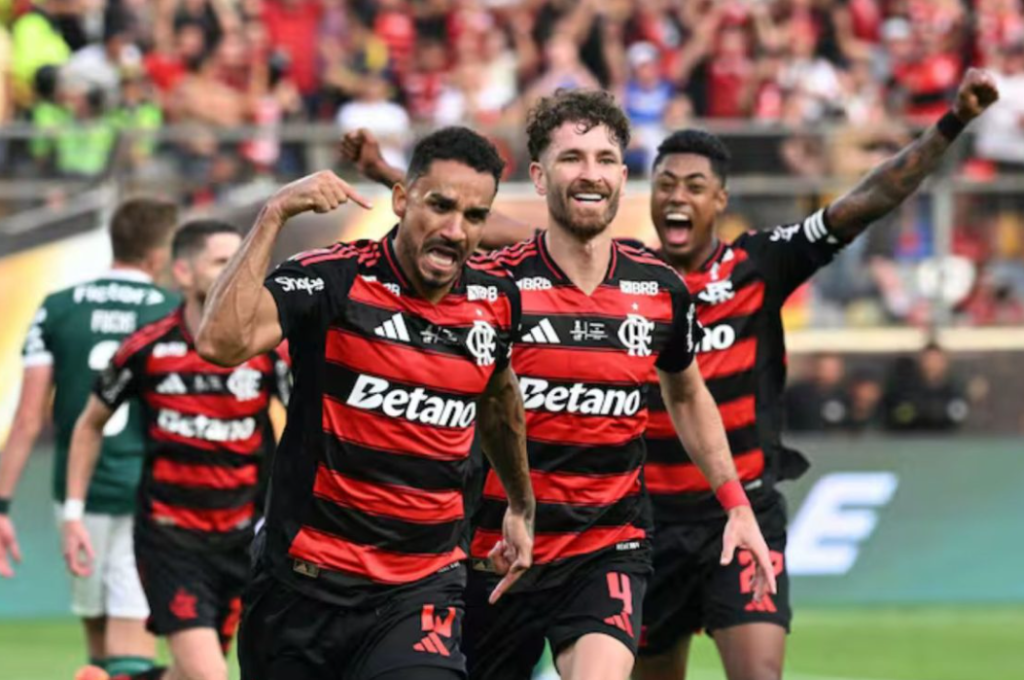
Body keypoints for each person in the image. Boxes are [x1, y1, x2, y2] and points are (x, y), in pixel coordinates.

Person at [345, 90, 777, 680]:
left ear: (623, 177)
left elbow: (685, 392)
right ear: (540, 176)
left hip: (607, 548)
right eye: (572, 158)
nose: (590, 173)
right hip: (492, 554)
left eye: (604, 158)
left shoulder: (659, 291)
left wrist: (736, 503)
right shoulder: (491, 288)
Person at [634, 69, 997, 680]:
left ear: (720, 201)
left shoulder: (759, 262)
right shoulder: (625, 279)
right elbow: (530, 243)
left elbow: (868, 199)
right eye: (664, 183)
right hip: (647, 525)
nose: (677, 196)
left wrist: (952, 123)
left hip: (741, 513)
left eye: (695, 186)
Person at [195, 127, 535, 680]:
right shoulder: (332, 280)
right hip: (303, 587)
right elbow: (219, 342)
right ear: (402, 200)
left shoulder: (495, 302)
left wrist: (521, 503)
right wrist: (274, 213)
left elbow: (500, 400)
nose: (455, 230)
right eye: (440, 206)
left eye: (474, 217)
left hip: (421, 590)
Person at [62, 220, 290, 680]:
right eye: (222, 262)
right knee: (210, 677)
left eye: (242, 262)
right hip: (171, 539)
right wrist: (72, 513)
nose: (236, 272)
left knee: (191, 675)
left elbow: (309, 424)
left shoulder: (269, 352)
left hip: (246, 539)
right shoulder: (146, 349)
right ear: (182, 273)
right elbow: (89, 425)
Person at [0, 198, 179, 677]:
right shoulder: (172, 310)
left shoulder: (57, 307)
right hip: (150, 492)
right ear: (159, 255)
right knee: (133, 653)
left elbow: (27, 418)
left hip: (78, 494)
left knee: (99, 651)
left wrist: (2, 503)